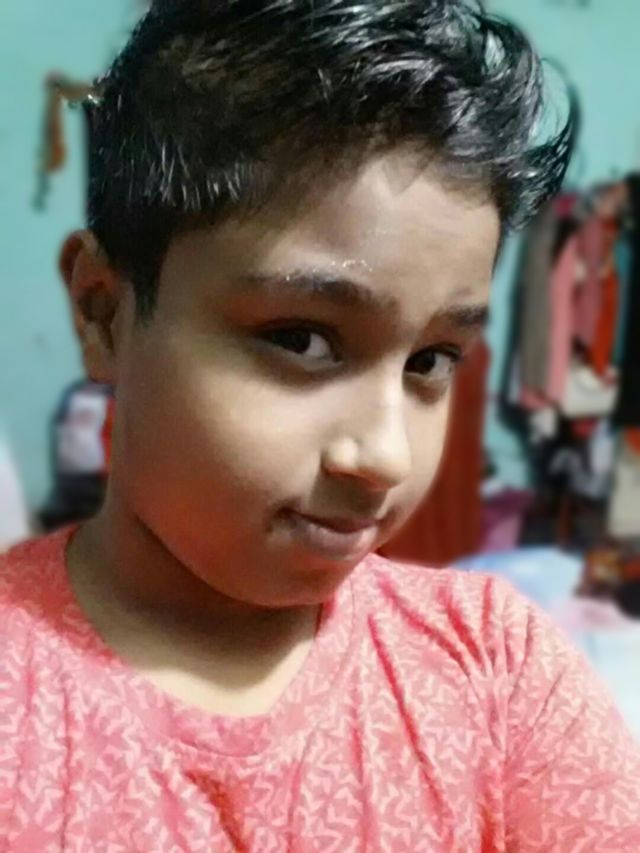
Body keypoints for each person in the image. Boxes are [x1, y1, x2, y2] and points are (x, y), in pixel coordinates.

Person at [1, 0, 639, 849]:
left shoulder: (497, 669)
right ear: (103, 312)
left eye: (430, 360)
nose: (384, 455)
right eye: (301, 340)